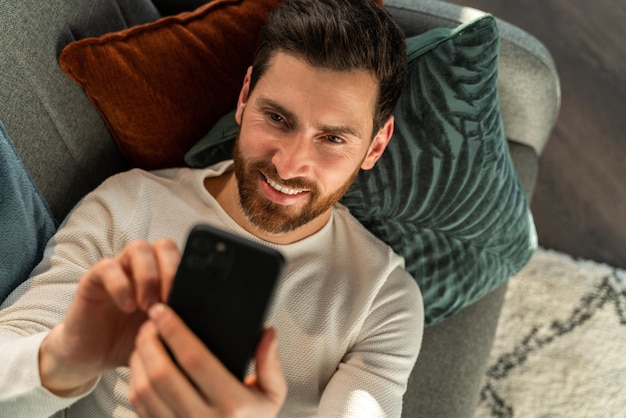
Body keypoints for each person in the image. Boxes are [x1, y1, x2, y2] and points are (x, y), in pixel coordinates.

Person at [0, 0, 424, 416]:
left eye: (332, 139)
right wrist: (65, 357)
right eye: (277, 117)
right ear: (244, 96)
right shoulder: (128, 204)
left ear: (376, 145)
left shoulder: (383, 299)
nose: (288, 164)